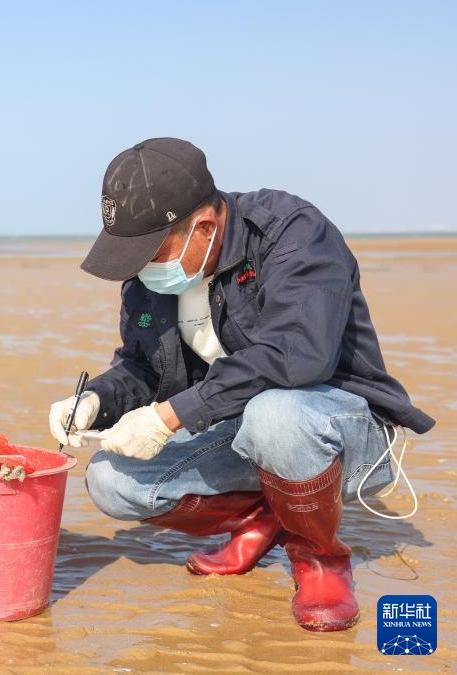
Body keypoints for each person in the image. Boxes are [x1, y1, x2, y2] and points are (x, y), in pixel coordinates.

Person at [49, 137, 434, 632]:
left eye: (148, 254)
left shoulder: (293, 233)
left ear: (204, 226)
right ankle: (267, 516)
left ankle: (319, 556)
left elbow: (298, 356)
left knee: (275, 414)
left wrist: (169, 417)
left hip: (336, 430)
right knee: (111, 481)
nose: (141, 271)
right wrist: (96, 399)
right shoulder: (148, 281)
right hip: (240, 431)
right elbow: (142, 368)